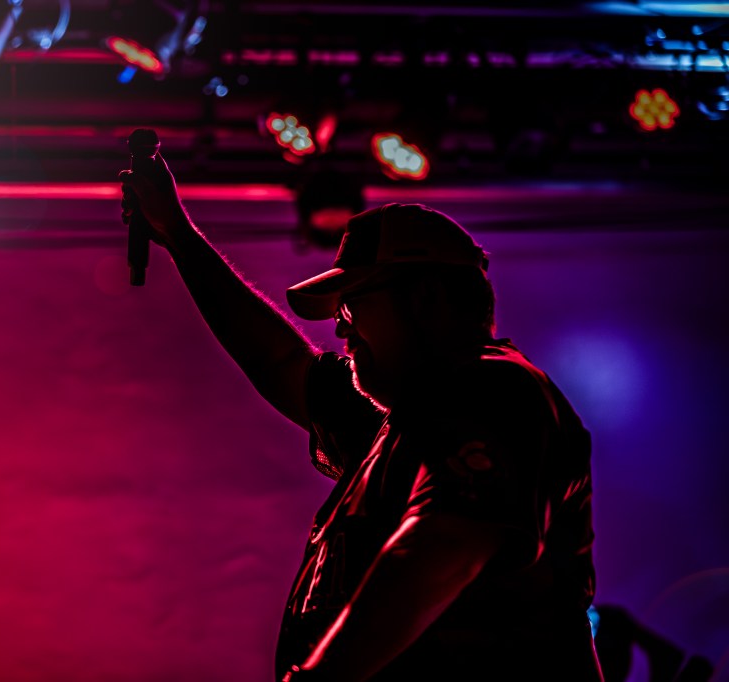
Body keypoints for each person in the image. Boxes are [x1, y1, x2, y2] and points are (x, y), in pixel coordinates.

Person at [120, 155, 603, 681]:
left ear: (426, 299)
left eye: (350, 307)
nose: (340, 330)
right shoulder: (401, 425)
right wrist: (180, 236)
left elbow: (448, 540)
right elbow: (281, 363)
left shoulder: (499, 390)